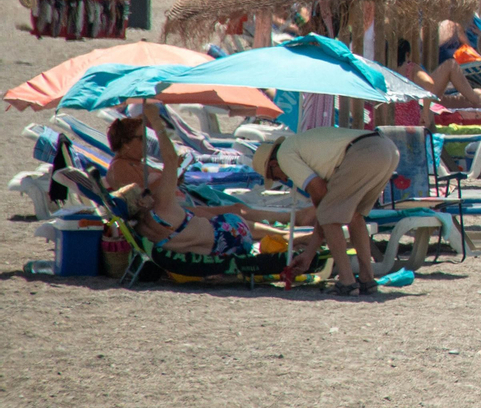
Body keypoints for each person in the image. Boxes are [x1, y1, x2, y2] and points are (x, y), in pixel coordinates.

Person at [253, 127, 401, 295]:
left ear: (273, 164)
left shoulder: (284, 156)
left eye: (276, 177)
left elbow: (320, 194)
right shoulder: (301, 147)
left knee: (329, 216)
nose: (285, 180)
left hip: (363, 153)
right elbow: (325, 207)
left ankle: (347, 282)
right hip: (387, 149)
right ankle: (367, 279)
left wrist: (309, 253)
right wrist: (309, 253)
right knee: (354, 215)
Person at [117, 102, 274, 259]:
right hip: (233, 234)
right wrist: (156, 122)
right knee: (234, 211)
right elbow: (170, 159)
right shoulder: (161, 204)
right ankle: (287, 230)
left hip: (205, 242)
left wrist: (172, 178)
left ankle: (286, 228)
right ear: (126, 143)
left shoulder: (144, 226)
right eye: (141, 138)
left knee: (230, 210)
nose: (146, 142)